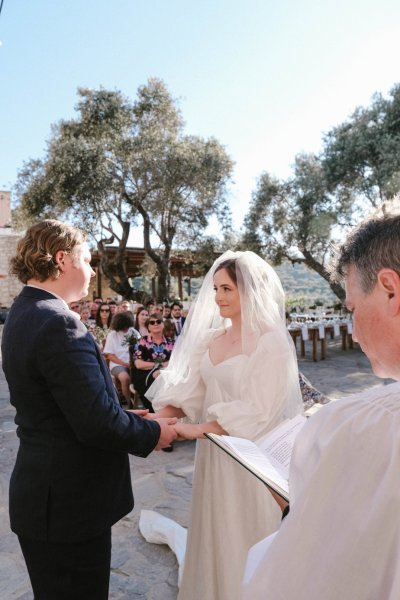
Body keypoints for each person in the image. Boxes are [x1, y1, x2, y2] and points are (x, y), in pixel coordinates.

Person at [0, 219, 177, 600]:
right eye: (87, 259)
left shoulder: (23, 311)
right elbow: (96, 424)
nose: (93, 269)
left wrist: (129, 416)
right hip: (68, 506)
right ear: (61, 259)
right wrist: (157, 433)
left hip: (46, 498)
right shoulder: (58, 321)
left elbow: (66, 407)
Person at [243, 207, 400, 600]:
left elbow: (290, 580)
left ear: (390, 290)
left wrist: (299, 509)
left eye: (351, 308)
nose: (352, 329)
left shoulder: (358, 425)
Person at [146, 251, 303, 600]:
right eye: (216, 288)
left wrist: (197, 430)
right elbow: (191, 392)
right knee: (216, 531)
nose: (217, 297)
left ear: (250, 290)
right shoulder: (211, 339)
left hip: (250, 460)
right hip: (214, 457)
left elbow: (259, 411)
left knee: (245, 534)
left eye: (227, 289)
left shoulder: (272, 342)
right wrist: (158, 419)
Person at [131, 312, 175, 412]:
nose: (156, 324)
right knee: (153, 382)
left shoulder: (171, 342)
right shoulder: (142, 341)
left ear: (163, 325)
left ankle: (168, 412)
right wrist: (160, 364)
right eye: (152, 322)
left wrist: (162, 370)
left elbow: (174, 362)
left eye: (158, 321)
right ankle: (155, 413)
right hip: (144, 374)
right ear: (148, 327)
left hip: (166, 373)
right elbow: (139, 364)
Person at [103, 312, 140, 405]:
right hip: (117, 364)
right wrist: (125, 364)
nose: (126, 329)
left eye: (127, 326)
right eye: (124, 327)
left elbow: (140, 348)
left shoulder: (133, 332)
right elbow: (109, 355)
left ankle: (139, 401)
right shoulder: (112, 335)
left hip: (134, 363)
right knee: (125, 378)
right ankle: (129, 403)